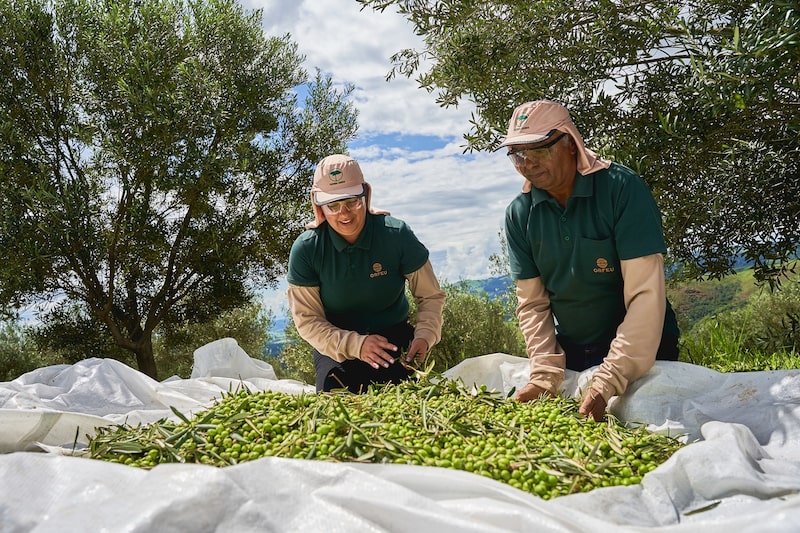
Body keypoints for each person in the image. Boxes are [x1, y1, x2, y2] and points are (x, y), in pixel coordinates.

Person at [498, 100, 680, 421]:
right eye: (517, 155)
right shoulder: (520, 214)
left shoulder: (621, 189)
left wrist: (611, 377)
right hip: (575, 351)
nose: (527, 164)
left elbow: (645, 296)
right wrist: (544, 374)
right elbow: (533, 305)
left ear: (570, 143)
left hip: (643, 349)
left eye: (538, 151)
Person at [287, 154, 446, 394]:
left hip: (395, 342)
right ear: (318, 206)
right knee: (335, 409)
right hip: (336, 348)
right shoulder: (307, 249)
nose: (344, 213)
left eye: (352, 201)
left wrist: (424, 336)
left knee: (411, 403)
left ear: (366, 194)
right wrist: (357, 345)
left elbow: (430, 296)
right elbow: (308, 321)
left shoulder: (397, 235)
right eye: (333, 205)